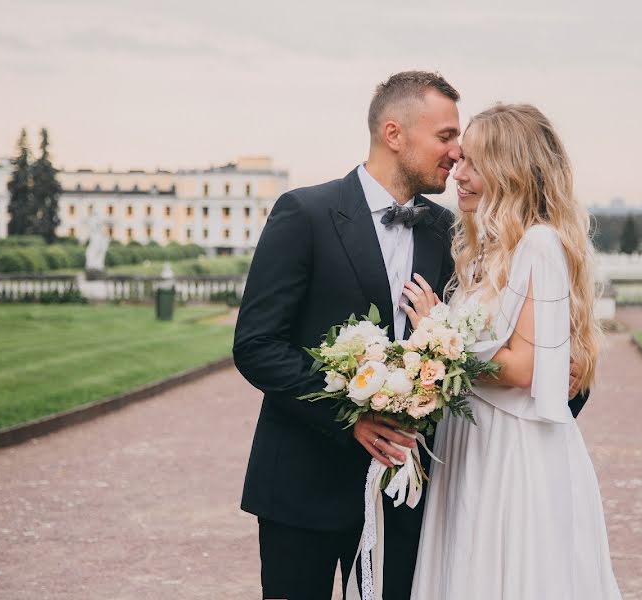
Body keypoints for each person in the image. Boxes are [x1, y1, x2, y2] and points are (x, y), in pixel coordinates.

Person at [234, 72, 590, 600]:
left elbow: (499, 330)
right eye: (446, 137)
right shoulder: (304, 213)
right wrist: (350, 417)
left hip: (413, 495)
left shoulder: (452, 233)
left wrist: (560, 389)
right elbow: (257, 346)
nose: (455, 153)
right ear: (394, 134)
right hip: (303, 485)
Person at [409, 104, 622, 599]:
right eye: (459, 160)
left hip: (514, 451)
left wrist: (437, 334)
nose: (457, 174)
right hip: (472, 443)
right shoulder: (485, 248)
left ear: (513, 172)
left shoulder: (540, 245)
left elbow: (524, 368)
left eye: (474, 165)